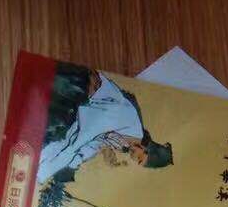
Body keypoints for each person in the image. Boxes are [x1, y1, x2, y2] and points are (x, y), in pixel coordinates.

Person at [37, 68, 173, 185]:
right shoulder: (131, 122)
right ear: (146, 149)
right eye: (139, 158)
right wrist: (75, 151)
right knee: (68, 144)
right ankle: (40, 171)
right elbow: (95, 126)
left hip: (85, 115)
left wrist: (76, 162)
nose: (133, 158)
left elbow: (95, 143)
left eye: (137, 161)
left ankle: (39, 169)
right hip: (87, 88)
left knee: (68, 147)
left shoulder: (124, 145)